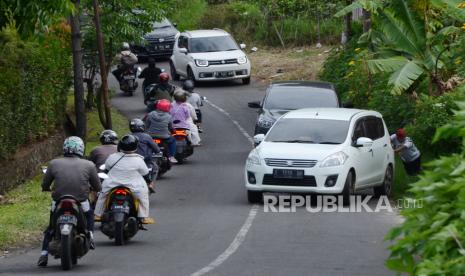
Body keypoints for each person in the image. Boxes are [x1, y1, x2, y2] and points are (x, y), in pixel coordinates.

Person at [38, 137, 101, 267]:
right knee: (89, 214)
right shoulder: (89, 165)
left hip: (59, 200)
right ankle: (90, 236)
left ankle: (44, 254)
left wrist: (46, 188)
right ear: (81, 149)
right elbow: (97, 186)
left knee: (50, 227)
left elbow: (45, 183)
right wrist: (95, 189)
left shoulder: (54, 163)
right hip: (81, 200)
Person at [94, 135, 155, 224]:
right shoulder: (139, 160)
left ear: (120, 146)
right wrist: (149, 182)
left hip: (111, 184)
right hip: (134, 186)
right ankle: (143, 217)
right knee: (144, 197)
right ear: (135, 146)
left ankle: (98, 215)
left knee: (102, 195)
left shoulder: (112, 157)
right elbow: (145, 174)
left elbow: (106, 168)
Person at [129, 118, 161, 193]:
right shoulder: (146, 136)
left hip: (130, 160)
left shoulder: (128, 136)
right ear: (141, 127)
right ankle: (151, 184)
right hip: (145, 161)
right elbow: (156, 149)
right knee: (155, 168)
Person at [146, 99, 178, 164]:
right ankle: (171, 156)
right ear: (168, 107)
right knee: (173, 140)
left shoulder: (151, 114)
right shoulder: (169, 116)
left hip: (151, 136)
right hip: (165, 137)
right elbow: (171, 127)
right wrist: (173, 132)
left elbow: (147, 125)